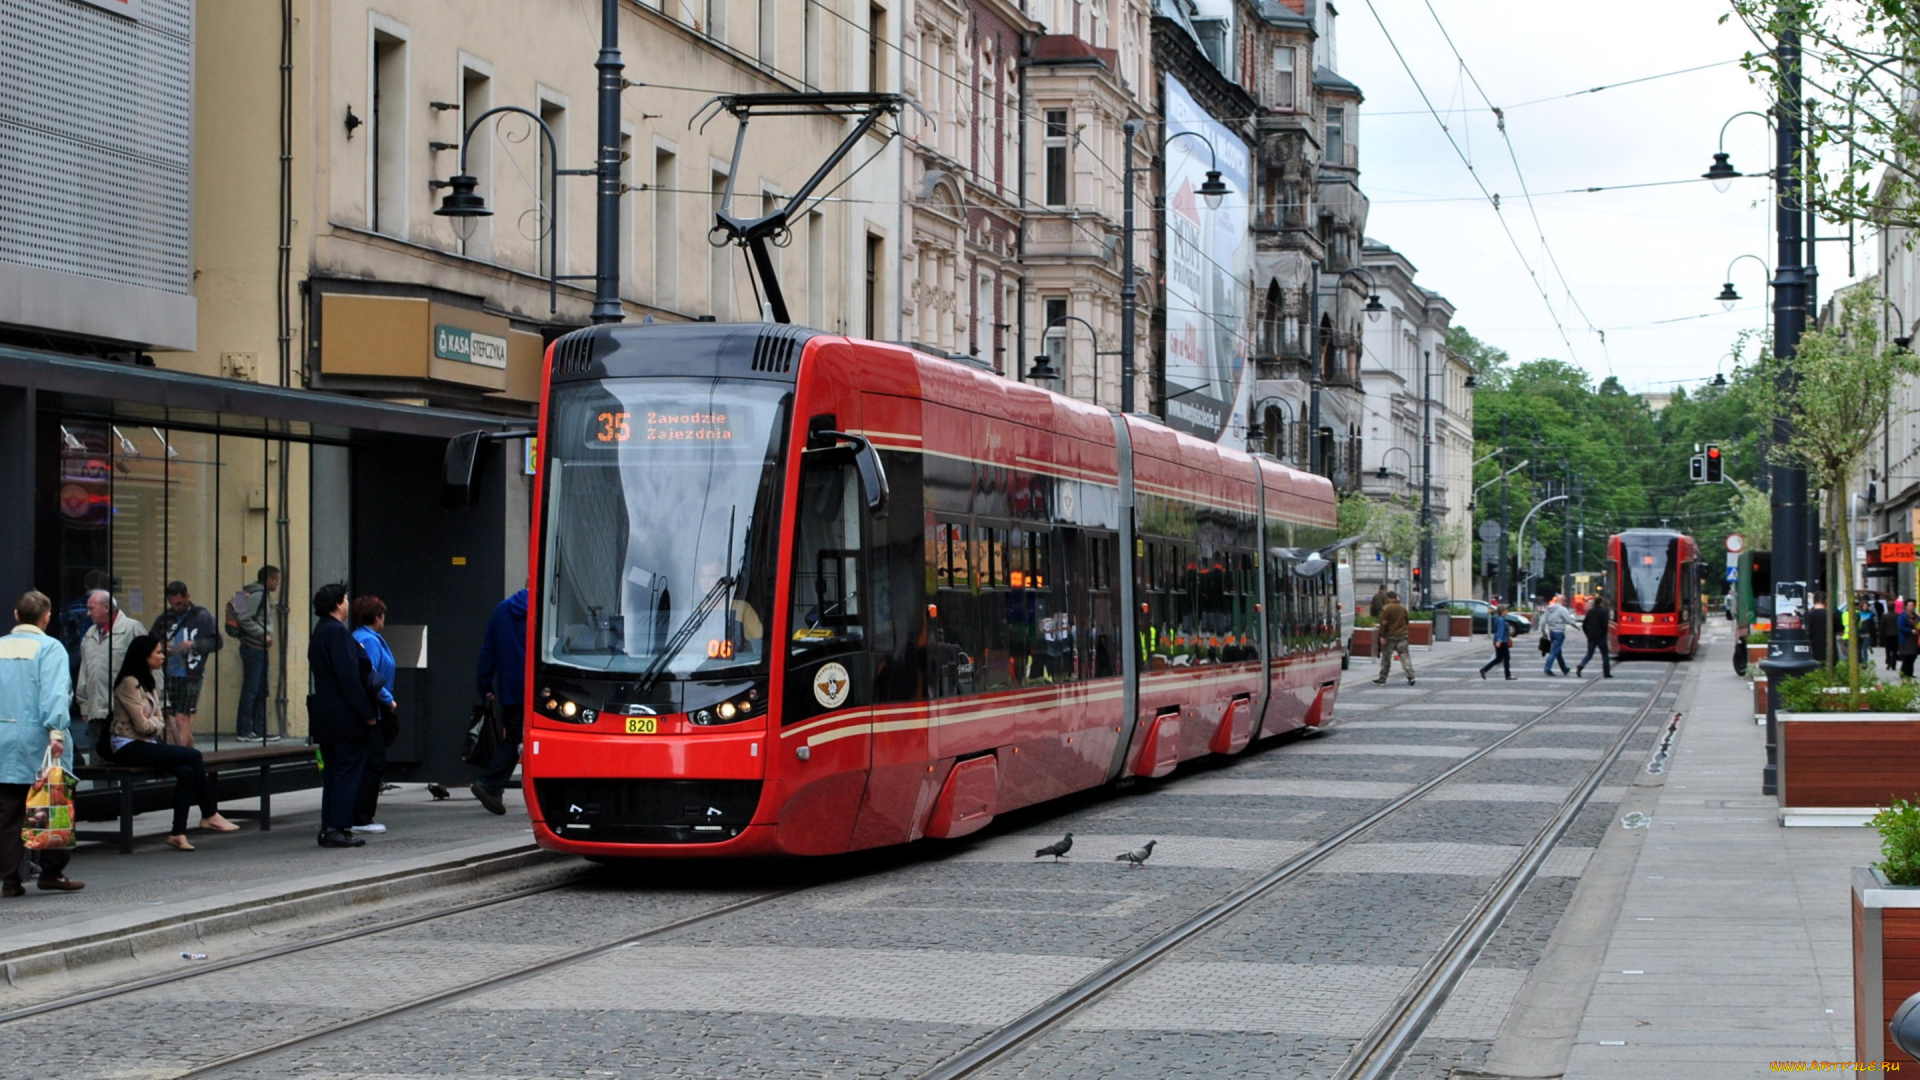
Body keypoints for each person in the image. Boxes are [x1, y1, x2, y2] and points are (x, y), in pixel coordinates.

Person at [107, 635, 239, 850]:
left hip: (146, 743)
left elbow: (158, 718)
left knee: (186, 771)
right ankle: (209, 813)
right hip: (127, 746)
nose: (162, 656)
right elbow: (142, 726)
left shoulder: (148, 681)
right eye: (157, 652)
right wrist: (154, 722)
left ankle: (178, 833)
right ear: (144, 656)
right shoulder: (128, 683)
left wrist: (153, 722)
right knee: (194, 755)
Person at [0, 592, 83, 897]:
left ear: (16, 614)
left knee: (8, 810)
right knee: (51, 805)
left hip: (2, 740)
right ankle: (52, 870)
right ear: (46, 617)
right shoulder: (50, 649)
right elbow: (54, 694)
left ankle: (10, 880)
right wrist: (57, 733)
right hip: (39, 739)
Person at [308, 584, 376, 848]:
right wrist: (367, 712)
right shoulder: (337, 633)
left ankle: (331, 826)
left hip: (326, 715)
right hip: (345, 717)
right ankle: (337, 826)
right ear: (338, 604)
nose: (348, 603)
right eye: (345, 599)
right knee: (347, 773)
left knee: (334, 774)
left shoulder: (321, 631)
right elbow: (348, 677)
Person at [472, 588, 529, 815]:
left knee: (513, 737)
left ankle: (492, 786)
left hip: (511, 688)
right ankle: (489, 782)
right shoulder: (544, 609)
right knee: (521, 740)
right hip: (540, 687)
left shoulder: (502, 610)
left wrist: (484, 685)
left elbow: (488, 650)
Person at [74, 590, 145, 764]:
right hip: (97, 712)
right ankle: (104, 792)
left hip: (124, 711)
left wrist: (154, 703)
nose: (88, 613)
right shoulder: (90, 635)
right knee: (99, 763)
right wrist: (84, 705)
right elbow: (85, 672)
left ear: (107, 608)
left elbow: (150, 667)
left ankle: (128, 792)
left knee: (127, 762)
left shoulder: (132, 629)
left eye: (92, 609)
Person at [151, 581, 221, 748]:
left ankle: (181, 756)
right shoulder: (165, 618)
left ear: (188, 597)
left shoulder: (201, 616)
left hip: (191, 674)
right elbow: (151, 639)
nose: (176, 607)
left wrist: (194, 645)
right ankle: (189, 755)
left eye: (180, 603)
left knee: (182, 717)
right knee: (173, 718)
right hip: (169, 671)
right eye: (173, 604)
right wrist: (161, 645)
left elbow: (217, 642)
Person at [350, 596, 395, 835]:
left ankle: (359, 814)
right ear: (377, 617)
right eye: (383, 614)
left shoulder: (361, 637)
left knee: (367, 762)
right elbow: (371, 676)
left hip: (368, 709)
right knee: (373, 763)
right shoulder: (369, 640)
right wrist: (389, 699)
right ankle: (362, 816)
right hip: (372, 711)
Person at [234, 566, 279, 741]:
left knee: (261, 689)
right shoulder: (259, 595)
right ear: (268, 580)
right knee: (252, 689)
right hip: (253, 647)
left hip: (256, 648)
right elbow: (243, 618)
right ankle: (244, 730)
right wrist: (262, 634)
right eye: (275, 580)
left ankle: (258, 729)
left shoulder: (250, 592)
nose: (277, 583)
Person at [1372, 591, 1415, 686]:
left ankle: (1383, 677)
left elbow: (1383, 623)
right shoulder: (1403, 607)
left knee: (1386, 658)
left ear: (1389, 598)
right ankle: (1410, 676)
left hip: (1389, 636)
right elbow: (1407, 620)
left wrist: (1382, 635)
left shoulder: (1386, 608)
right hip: (1402, 635)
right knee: (1404, 656)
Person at [1576, 595, 1613, 678]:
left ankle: (1581, 665)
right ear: (1601, 603)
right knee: (1605, 655)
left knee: (1589, 654)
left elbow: (1584, 625)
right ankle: (1606, 673)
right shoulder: (1604, 612)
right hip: (1601, 637)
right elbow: (1605, 625)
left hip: (1591, 636)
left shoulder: (1590, 612)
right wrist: (1604, 634)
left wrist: (1587, 634)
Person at [1541, 594, 1575, 676]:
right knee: (1554, 651)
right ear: (1562, 601)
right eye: (1565, 601)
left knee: (1558, 651)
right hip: (1559, 632)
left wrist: (1543, 632)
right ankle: (1547, 668)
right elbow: (1569, 620)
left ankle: (1564, 669)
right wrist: (1576, 626)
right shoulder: (1562, 609)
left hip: (1551, 632)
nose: (1566, 603)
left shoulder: (1549, 609)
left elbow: (1542, 621)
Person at [1478, 604, 1514, 680]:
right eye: (1506, 610)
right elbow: (1500, 631)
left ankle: (1484, 670)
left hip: (1499, 640)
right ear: (1502, 611)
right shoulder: (1501, 620)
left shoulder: (1499, 619)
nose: (1507, 612)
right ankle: (1508, 675)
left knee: (1499, 658)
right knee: (1506, 658)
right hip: (1502, 641)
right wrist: (1499, 641)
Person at [1806, 591, 1831, 668]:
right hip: (1828, 651)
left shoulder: (1808, 616)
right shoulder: (1831, 615)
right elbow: (1841, 632)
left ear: (1814, 601)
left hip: (1812, 651)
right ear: (1826, 601)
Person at [1901, 601, 1919, 680]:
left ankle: (1910, 673)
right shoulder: (1903, 616)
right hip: (1906, 639)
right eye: (1910, 605)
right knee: (1907, 656)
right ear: (1906, 607)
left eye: (1913, 605)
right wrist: (1910, 630)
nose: (1912, 607)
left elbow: (1918, 624)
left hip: (1915, 639)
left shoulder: (1916, 616)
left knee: (1913, 656)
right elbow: (1901, 626)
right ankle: (1903, 672)